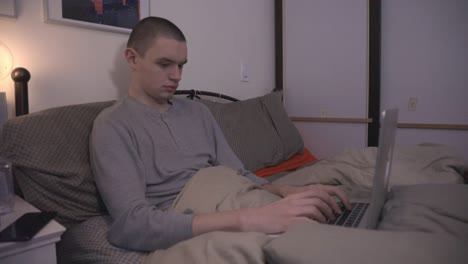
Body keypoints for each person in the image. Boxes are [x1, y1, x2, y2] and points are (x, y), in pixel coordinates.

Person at [89, 16, 351, 252]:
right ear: (132, 58)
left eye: (181, 65)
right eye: (165, 64)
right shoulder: (113, 125)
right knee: (299, 244)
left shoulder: (197, 111)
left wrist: (283, 190)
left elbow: (238, 173)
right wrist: (251, 218)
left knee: (338, 197)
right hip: (194, 209)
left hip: (236, 191)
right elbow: (132, 225)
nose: (176, 76)